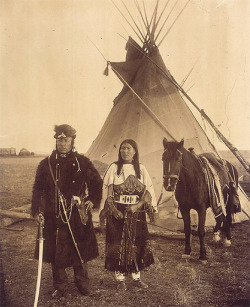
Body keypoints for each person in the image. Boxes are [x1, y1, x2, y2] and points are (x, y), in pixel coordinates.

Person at [31, 124, 102, 298]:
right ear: (56, 141)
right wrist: (37, 211)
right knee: (55, 250)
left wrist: (91, 200)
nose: (62, 143)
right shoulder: (46, 164)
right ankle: (60, 286)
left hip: (76, 214)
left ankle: (82, 283)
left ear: (72, 141)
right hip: (52, 215)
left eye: (66, 140)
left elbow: (97, 183)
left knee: (79, 248)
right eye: (59, 140)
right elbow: (38, 190)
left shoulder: (82, 162)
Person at [99, 139, 157, 291]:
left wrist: (137, 206)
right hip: (117, 212)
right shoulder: (114, 167)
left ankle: (136, 278)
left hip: (136, 212)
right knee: (117, 243)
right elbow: (108, 190)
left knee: (136, 243)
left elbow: (148, 192)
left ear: (134, 151)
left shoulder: (141, 169)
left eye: (128, 148)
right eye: (122, 148)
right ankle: (120, 279)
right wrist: (114, 210)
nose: (125, 151)